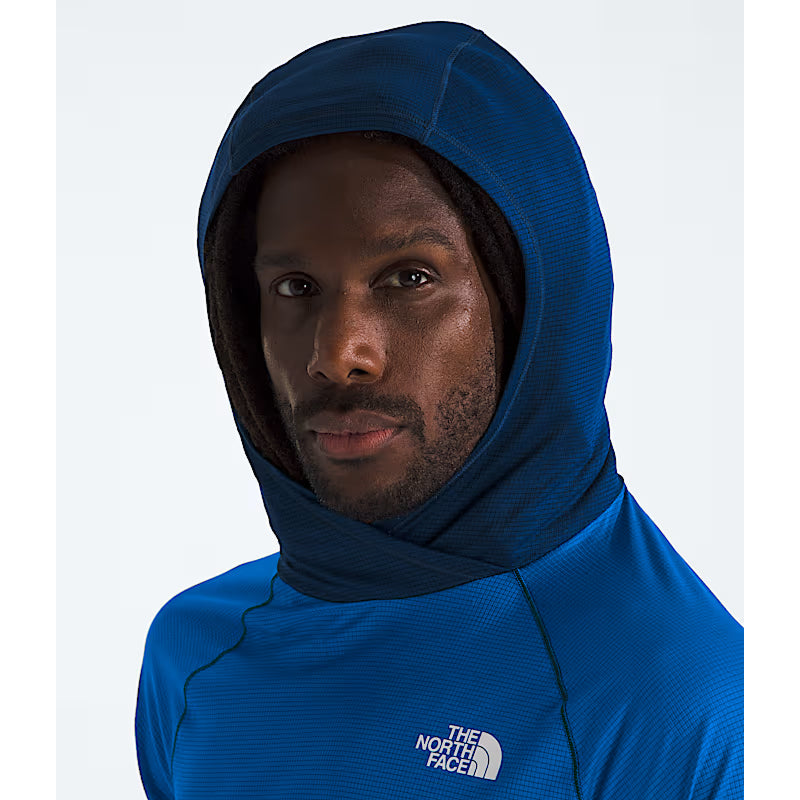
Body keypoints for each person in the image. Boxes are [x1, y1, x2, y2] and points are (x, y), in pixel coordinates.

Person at [135, 20, 743, 799]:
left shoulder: (681, 705)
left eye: (408, 278)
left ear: (528, 299)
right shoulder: (193, 658)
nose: (338, 353)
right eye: (295, 288)